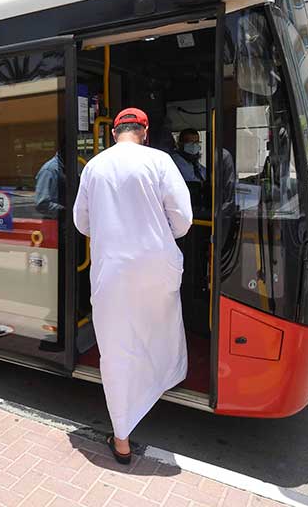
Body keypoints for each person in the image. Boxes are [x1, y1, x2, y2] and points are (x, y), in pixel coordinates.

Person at [73, 107, 192, 465]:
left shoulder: (94, 167)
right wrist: (153, 235)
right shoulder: (159, 161)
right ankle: (163, 384)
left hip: (113, 272)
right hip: (156, 267)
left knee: (118, 348)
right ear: (145, 129)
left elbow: (82, 222)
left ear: (113, 133)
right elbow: (183, 220)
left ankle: (122, 438)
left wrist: (113, 232)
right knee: (160, 328)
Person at [34, 152, 65, 217]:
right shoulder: (49, 170)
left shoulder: (66, 166)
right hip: (54, 222)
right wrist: (66, 211)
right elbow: (42, 204)